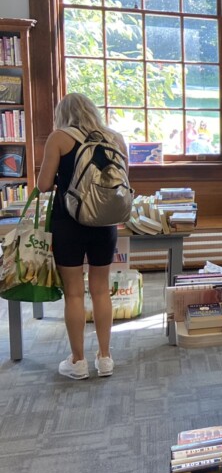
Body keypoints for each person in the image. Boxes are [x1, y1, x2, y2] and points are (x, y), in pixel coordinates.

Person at [37, 93, 129, 380]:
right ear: (92, 111)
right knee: (101, 289)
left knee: (74, 292)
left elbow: (42, 186)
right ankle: (105, 358)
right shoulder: (115, 138)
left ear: (63, 114)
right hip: (105, 223)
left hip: (69, 223)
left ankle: (78, 361)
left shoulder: (59, 138)